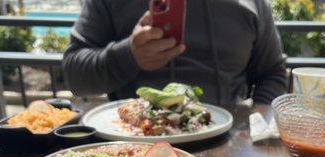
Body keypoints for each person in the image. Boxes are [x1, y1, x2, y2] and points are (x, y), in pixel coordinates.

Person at [63, 0, 287, 105]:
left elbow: (272, 73)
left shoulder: (253, 3)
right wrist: (129, 55)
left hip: (230, 145)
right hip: (132, 146)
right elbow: (75, 75)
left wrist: (256, 125)